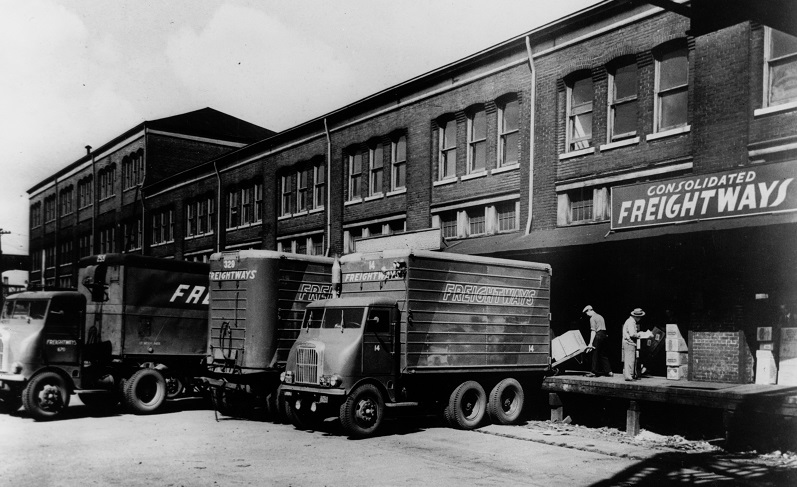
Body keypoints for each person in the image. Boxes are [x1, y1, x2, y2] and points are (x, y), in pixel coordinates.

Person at [583, 305, 612, 377]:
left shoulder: (592, 318)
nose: (587, 315)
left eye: (586, 313)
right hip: (604, 335)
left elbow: (593, 331)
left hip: (598, 335)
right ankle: (609, 371)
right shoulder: (600, 316)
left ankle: (593, 371)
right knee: (603, 354)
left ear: (589, 311)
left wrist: (590, 343)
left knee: (594, 353)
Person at [622, 308, 645, 381]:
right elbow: (632, 334)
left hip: (629, 342)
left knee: (630, 359)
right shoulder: (631, 322)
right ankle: (629, 376)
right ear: (637, 316)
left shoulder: (630, 321)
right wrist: (639, 334)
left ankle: (630, 375)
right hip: (629, 342)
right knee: (630, 359)